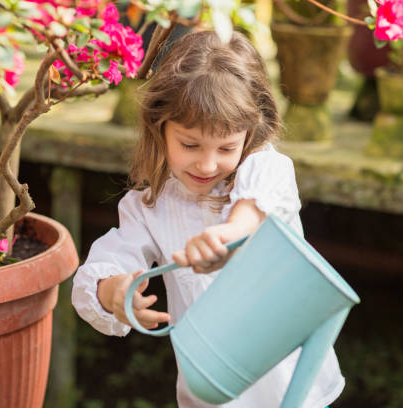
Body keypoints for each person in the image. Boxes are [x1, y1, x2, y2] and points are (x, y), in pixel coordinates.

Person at [72, 30, 345, 407]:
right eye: (190, 144)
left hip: (294, 387)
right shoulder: (149, 206)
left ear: (251, 132)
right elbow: (107, 262)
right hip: (211, 392)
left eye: (226, 147)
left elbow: (250, 215)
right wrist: (114, 291)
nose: (207, 163)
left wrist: (227, 236)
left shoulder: (267, 170)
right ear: (158, 126)